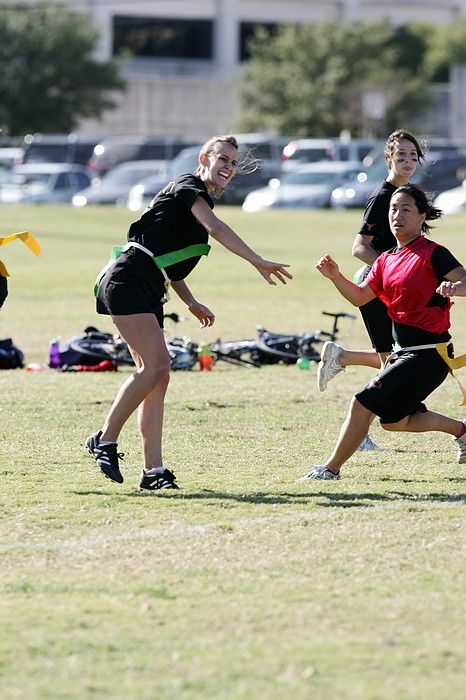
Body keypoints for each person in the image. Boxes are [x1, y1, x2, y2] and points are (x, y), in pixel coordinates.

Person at [86, 134, 292, 490]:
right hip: (127, 278)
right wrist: (257, 260)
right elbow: (214, 227)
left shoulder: (197, 207)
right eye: (222, 159)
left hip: (149, 285)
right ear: (204, 158)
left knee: (157, 375)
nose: (228, 167)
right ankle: (104, 438)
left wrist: (191, 301)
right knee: (157, 366)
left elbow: (168, 265)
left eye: (233, 163)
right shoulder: (187, 185)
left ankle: (153, 471)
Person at [300, 184, 466, 481]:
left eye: (406, 209)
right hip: (403, 354)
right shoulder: (386, 259)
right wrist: (336, 276)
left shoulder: (434, 254)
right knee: (395, 422)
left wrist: (455, 287)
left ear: (421, 216)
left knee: (362, 402)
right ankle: (462, 431)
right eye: (393, 209)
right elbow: (361, 296)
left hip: (429, 356)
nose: (397, 215)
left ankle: (329, 470)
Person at [317, 129, 426, 451]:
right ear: (388, 158)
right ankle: (360, 431)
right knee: (391, 362)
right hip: (375, 281)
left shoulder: (409, 194)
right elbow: (358, 246)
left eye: (413, 156)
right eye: (401, 155)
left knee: (394, 358)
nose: (408, 161)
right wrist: (391, 268)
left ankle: (343, 357)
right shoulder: (383, 197)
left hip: (392, 284)